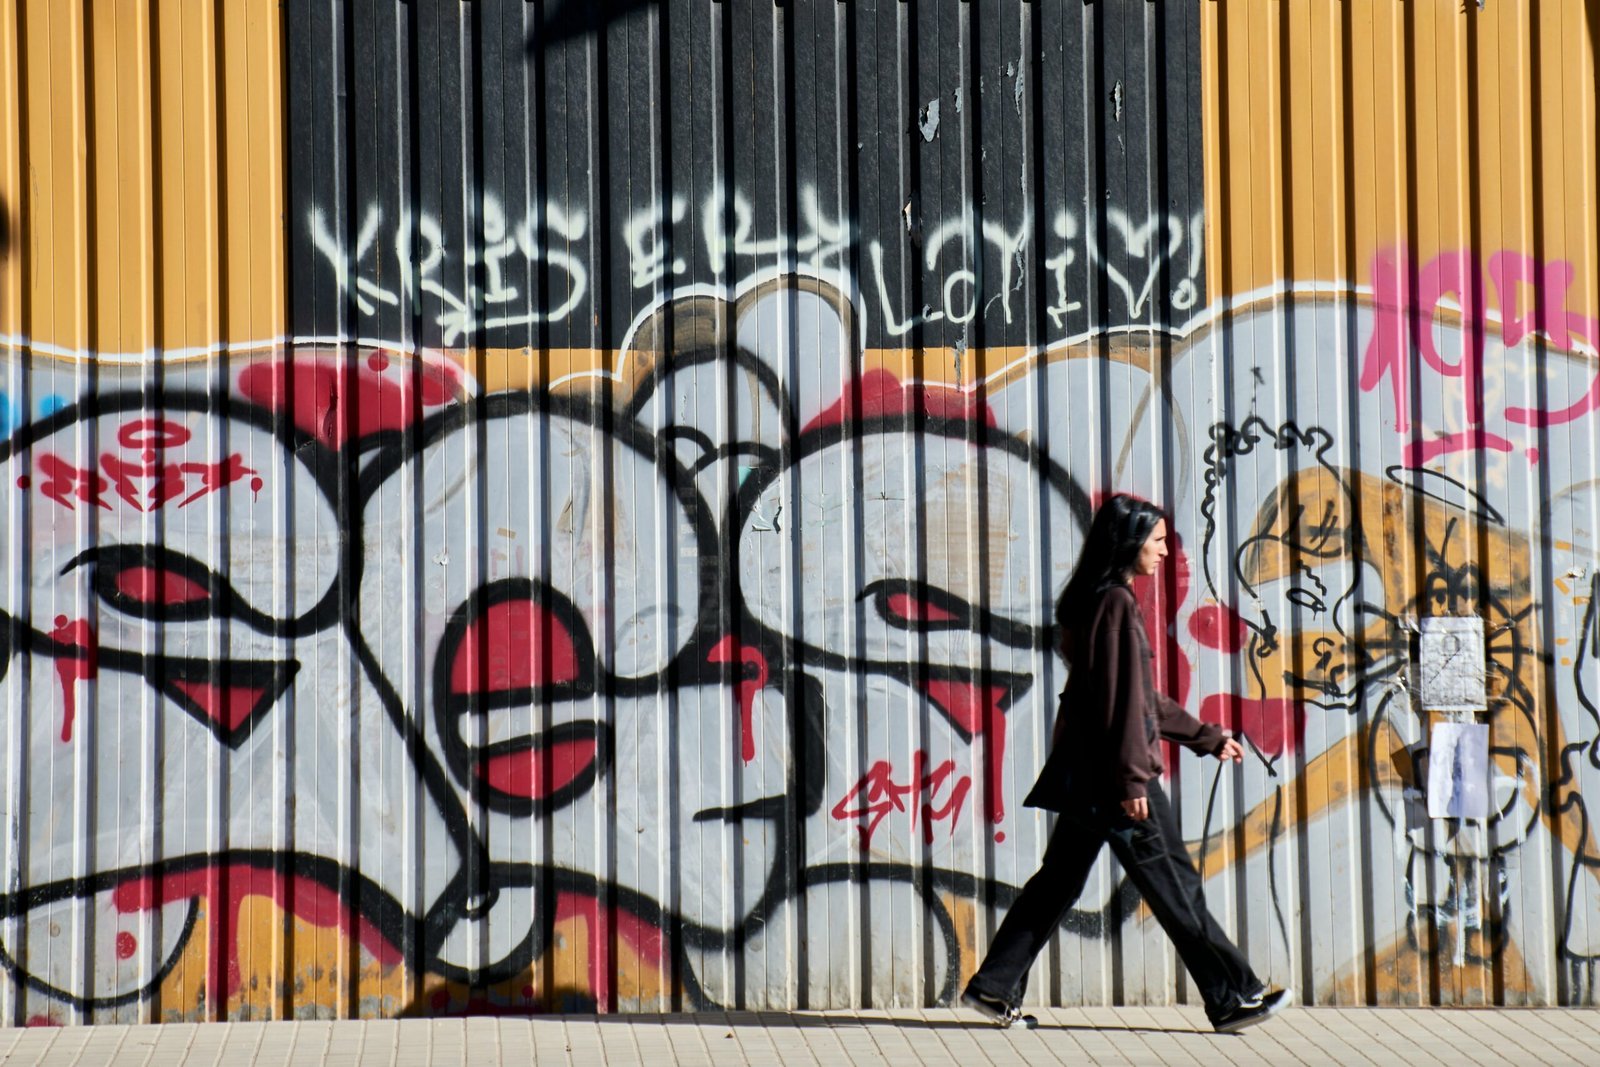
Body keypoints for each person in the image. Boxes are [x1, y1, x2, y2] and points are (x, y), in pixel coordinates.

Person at [961, 494, 1291, 1035]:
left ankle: (993, 988)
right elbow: (1123, 703)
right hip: (1117, 782)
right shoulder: (1115, 604)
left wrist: (1205, 736)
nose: (1165, 550)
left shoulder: (1098, 601)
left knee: (1057, 884)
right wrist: (1134, 778)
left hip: (1092, 777)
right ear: (1129, 541)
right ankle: (1232, 997)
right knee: (1175, 887)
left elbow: (1136, 697)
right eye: (1157, 540)